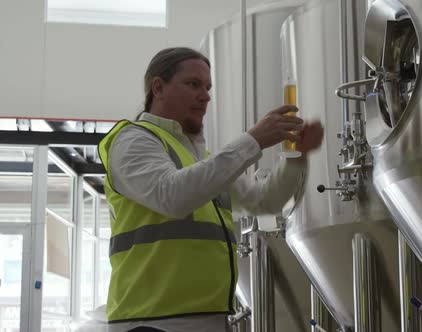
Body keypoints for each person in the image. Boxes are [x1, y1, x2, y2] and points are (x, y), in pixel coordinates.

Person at [97, 47, 324, 332]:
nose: (205, 95)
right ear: (158, 87)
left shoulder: (203, 161)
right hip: (151, 321)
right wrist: (251, 140)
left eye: (207, 87)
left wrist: (298, 156)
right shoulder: (133, 141)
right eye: (193, 84)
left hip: (209, 318)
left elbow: (265, 201)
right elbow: (172, 197)